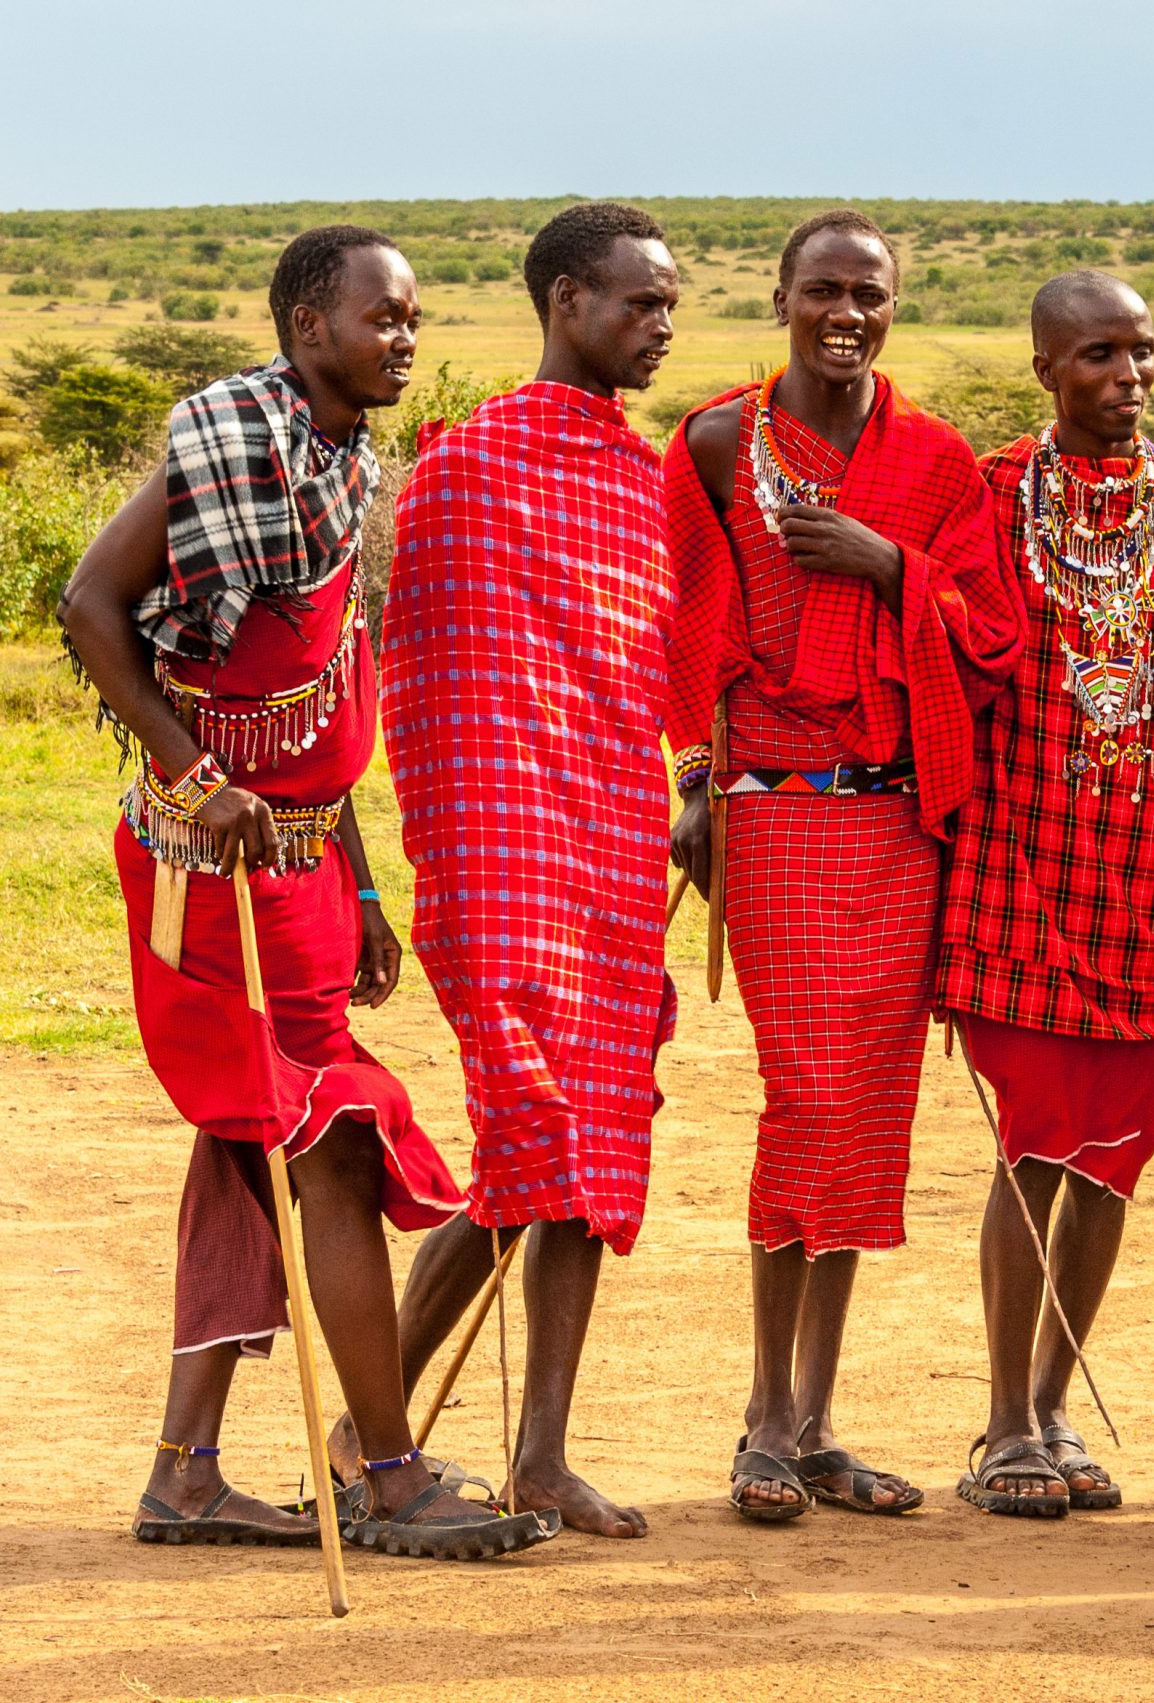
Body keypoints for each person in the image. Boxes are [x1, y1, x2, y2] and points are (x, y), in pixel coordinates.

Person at [63, 225, 547, 1559]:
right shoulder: (225, 447)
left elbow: (332, 687)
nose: (402, 337)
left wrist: (366, 876)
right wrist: (194, 766)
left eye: (412, 318)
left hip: (305, 868)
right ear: (303, 326)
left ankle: (186, 1470)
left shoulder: (346, 463)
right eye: (379, 317)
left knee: (244, 1152)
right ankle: (387, 1470)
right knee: (327, 1133)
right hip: (204, 867)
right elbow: (91, 604)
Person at [661, 208, 1026, 1521]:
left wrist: (888, 566)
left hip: (898, 815)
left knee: (868, 1112)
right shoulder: (715, 440)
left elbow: (995, 634)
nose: (847, 312)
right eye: (824, 288)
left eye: (869, 293)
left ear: (892, 305)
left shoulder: (934, 460)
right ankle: (763, 1416)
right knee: (806, 1094)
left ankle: (817, 1423)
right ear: (780, 296)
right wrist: (694, 783)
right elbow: (683, 625)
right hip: (772, 807)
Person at [371, 201, 682, 1540]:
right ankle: (369, 1436)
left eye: (670, 304)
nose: (660, 325)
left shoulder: (637, 471)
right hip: (496, 840)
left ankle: (540, 1454)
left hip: (611, 836)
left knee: (595, 1140)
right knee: (533, 1137)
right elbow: (420, 679)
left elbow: (645, 661)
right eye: (637, 302)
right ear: (566, 300)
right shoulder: (465, 466)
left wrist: (677, 795)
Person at [938, 269, 1154, 1518]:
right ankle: (1003, 1421)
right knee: (1032, 1149)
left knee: (1113, 1160)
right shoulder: (993, 495)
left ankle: (1056, 1404)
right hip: (1021, 871)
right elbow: (947, 635)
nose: (1128, 377)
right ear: (1047, 367)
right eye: (1101, 355)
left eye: (1143, 352)